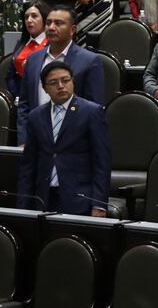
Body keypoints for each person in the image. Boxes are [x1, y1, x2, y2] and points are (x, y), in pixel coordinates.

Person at [17, 61, 111, 217]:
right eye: (53, 83)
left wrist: (99, 204)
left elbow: (102, 162)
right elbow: (28, 165)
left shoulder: (91, 112)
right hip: (44, 198)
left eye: (65, 80)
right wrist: (22, 205)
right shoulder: (36, 116)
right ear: (44, 88)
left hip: (79, 198)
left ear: (73, 81)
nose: (60, 86)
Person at [17, 5, 104, 144]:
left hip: (73, 144)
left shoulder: (89, 61)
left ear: (72, 30)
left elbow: (93, 109)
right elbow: (24, 104)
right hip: (37, 141)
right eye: (48, 23)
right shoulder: (33, 59)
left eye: (58, 23)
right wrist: (23, 140)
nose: (51, 28)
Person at [6, 1, 50, 98]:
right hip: (19, 98)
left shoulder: (52, 43)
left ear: (45, 19)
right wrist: (17, 96)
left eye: (34, 16)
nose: (29, 20)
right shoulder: (22, 43)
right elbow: (10, 75)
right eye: (26, 17)